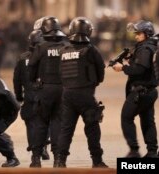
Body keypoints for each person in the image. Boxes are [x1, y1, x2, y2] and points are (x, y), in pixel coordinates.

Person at [54, 17, 108, 168]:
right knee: (92, 128)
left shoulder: (64, 50)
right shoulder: (91, 50)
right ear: (88, 31)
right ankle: (97, 161)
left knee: (66, 129)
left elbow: (60, 73)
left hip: (67, 95)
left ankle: (60, 161)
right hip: (85, 95)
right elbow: (100, 72)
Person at [112, 20, 158, 158]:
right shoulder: (150, 46)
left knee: (126, 117)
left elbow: (139, 69)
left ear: (147, 34)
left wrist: (123, 68)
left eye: (139, 33)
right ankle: (152, 152)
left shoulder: (145, 49)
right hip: (149, 91)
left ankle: (134, 151)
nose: (136, 36)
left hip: (140, 91)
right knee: (148, 120)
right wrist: (131, 57)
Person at [28, 16, 68, 167]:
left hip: (45, 89)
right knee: (58, 123)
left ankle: (36, 158)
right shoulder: (66, 45)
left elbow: (32, 66)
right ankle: (58, 159)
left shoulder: (41, 47)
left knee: (40, 123)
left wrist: (33, 82)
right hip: (63, 90)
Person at [13, 30, 50, 161]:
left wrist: (18, 96)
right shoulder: (49, 56)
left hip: (29, 96)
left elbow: (16, 79)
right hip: (45, 95)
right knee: (46, 122)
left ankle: (35, 154)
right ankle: (44, 146)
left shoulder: (23, 58)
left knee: (31, 124)